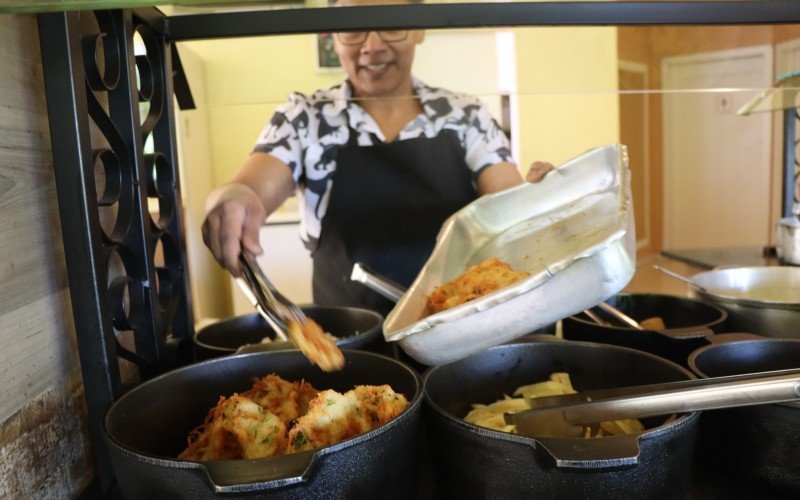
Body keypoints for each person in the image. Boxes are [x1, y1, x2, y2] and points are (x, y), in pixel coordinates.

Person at [202, 1, 554, 315]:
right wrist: (231, 198)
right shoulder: (306, 117)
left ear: (419, 29)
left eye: (391, 24)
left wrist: (536, 199)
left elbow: (507, 197)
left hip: (455, 334)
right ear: (333, 36)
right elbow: (248, 187)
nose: (372, 46)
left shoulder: (465, 116)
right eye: (354, 29)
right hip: (350, 348)